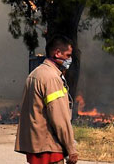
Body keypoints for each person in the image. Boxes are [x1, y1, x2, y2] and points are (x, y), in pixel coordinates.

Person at [15, 35, 78, 164]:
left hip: (36, 148)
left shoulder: (35, 74)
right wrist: (71, 148)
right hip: (50, 150)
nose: (69, 59)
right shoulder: (52, 78)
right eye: (67, 55)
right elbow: (59, 118)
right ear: (57, 53)